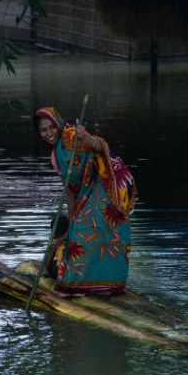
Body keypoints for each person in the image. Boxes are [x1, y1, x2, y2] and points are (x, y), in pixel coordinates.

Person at [34, 106, 137, 296]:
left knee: (97, 236)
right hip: (86, 194)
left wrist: (86, 138)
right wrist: (72, 223)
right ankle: (92, 284)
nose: (49, 133)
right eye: (43, 130)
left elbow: (99, 146)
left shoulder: (71, 135)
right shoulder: (56, 155)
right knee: (79, 232)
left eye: (51, 128)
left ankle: (83, 285)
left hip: (104, 188)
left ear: (58, 124)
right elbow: (71, 192)